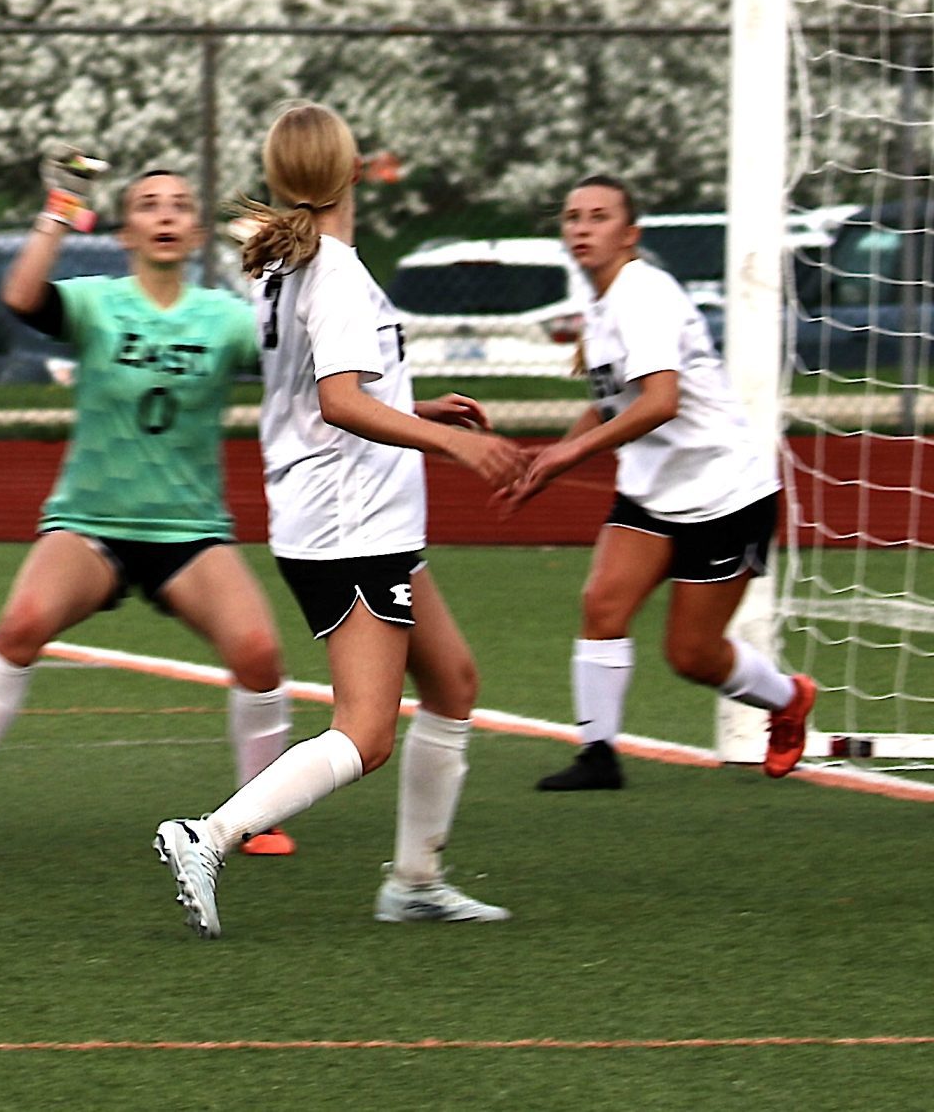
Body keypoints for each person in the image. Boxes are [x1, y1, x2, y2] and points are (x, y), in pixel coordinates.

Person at [152, 101, 526, 938]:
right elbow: (341, 402)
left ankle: (417, 880)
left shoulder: (288, 265)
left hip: (342, 515)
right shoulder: (337, 272)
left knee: (453, 682)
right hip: (351, 524)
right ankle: (208, 835)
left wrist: (417, 405)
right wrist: (446, 443)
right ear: (352, 171)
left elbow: (324, 392)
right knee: (366, 731)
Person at [0, 162, 295, 853]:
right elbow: (21, 296)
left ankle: (257, 814)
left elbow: (299, 352)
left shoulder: (227, 318)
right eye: (147, 204)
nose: (165, 214)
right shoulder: (97, 302)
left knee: (259, 652)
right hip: (92, 523)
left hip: (188, 531)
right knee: (21, 625)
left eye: (179, 205)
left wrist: (273, 259)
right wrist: (60, 208)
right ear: (125, 232)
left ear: (197, 231)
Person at [505, 176, 813, 788]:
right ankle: (598, 758)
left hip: (724, 493)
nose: (582, 227)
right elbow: (612, 402)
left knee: (693, 655)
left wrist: (568, 459)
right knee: (602, 604)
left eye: (598, 216)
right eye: (572, 217)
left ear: (630, 234)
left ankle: (787, 699)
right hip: (652, 489)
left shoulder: (641, 295)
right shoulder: (599, 299)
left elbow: (660, 402)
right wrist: (548, 459)